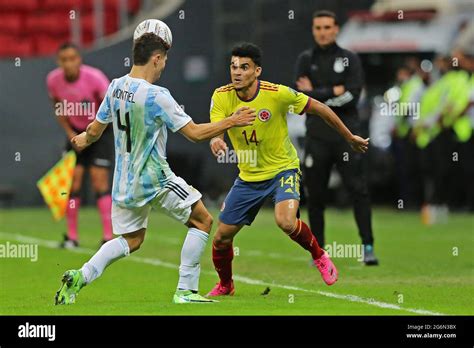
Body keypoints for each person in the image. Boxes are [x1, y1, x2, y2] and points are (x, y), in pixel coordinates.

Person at [54, 32, 256, 305]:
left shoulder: (114, 87)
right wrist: (232, 121)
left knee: (132, 239)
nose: (163, 67)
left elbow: (94, 129)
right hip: (154, 177)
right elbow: (195, 133)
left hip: (124, 182)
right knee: (203, 220)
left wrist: (82, 139)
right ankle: (186, 290)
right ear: (156, 58)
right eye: (164, 61)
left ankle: (81, 275)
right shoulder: (158, 96)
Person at [206, 42, 369, 297]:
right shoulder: (221, 96)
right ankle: (226, 285)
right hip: (248, 177)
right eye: (233, 66)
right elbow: (216, 129)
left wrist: (349, 136)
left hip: (283, 169)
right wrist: (217, 141)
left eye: (244, 67)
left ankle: (319, 255)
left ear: (257, 71)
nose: (237, 72)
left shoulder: (277, 94)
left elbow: (321, 108)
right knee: (221, 238)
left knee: (285, 221)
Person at [294, 10, 378, 265]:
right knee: (316, 196)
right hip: (317, 138)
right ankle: (319, 253)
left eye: (327, 27)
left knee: (358, 190)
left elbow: (352, 95)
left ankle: (368, 247)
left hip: (347, 136)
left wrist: (317, 95)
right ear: (313, 30)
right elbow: (299, 99)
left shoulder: (350, 59)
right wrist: (333, 92)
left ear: (336, 29)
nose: (322, 32)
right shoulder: (305, 60)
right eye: (318, 27)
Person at [46, 43, 114, 248]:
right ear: (59, 62)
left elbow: (109, 106)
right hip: (75, 133)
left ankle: (108, 238)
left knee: (99, 183)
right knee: (72, 185)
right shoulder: (53, 80)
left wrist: (91, 134)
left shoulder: (96, 78)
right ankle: (72, 237)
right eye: (64, 59)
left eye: (72, 58)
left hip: (99, 132)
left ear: (79, 59)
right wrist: (71, 135)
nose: (68, 63)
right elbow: (58, 108)